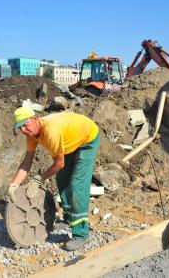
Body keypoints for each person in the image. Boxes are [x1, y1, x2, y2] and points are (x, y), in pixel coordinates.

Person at [8, 107, 100, 251]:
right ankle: (70, 218)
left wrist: (40, 178)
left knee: (77, 185)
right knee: (62, 178)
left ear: (34, 119)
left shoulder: (51, 131)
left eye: (25, 125)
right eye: (20, 128)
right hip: (70, 142)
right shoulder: (31, 136)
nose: (23, 130)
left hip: (87, 139)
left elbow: (59, 163)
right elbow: (27, 161)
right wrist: (14, 185)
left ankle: (81, 234)